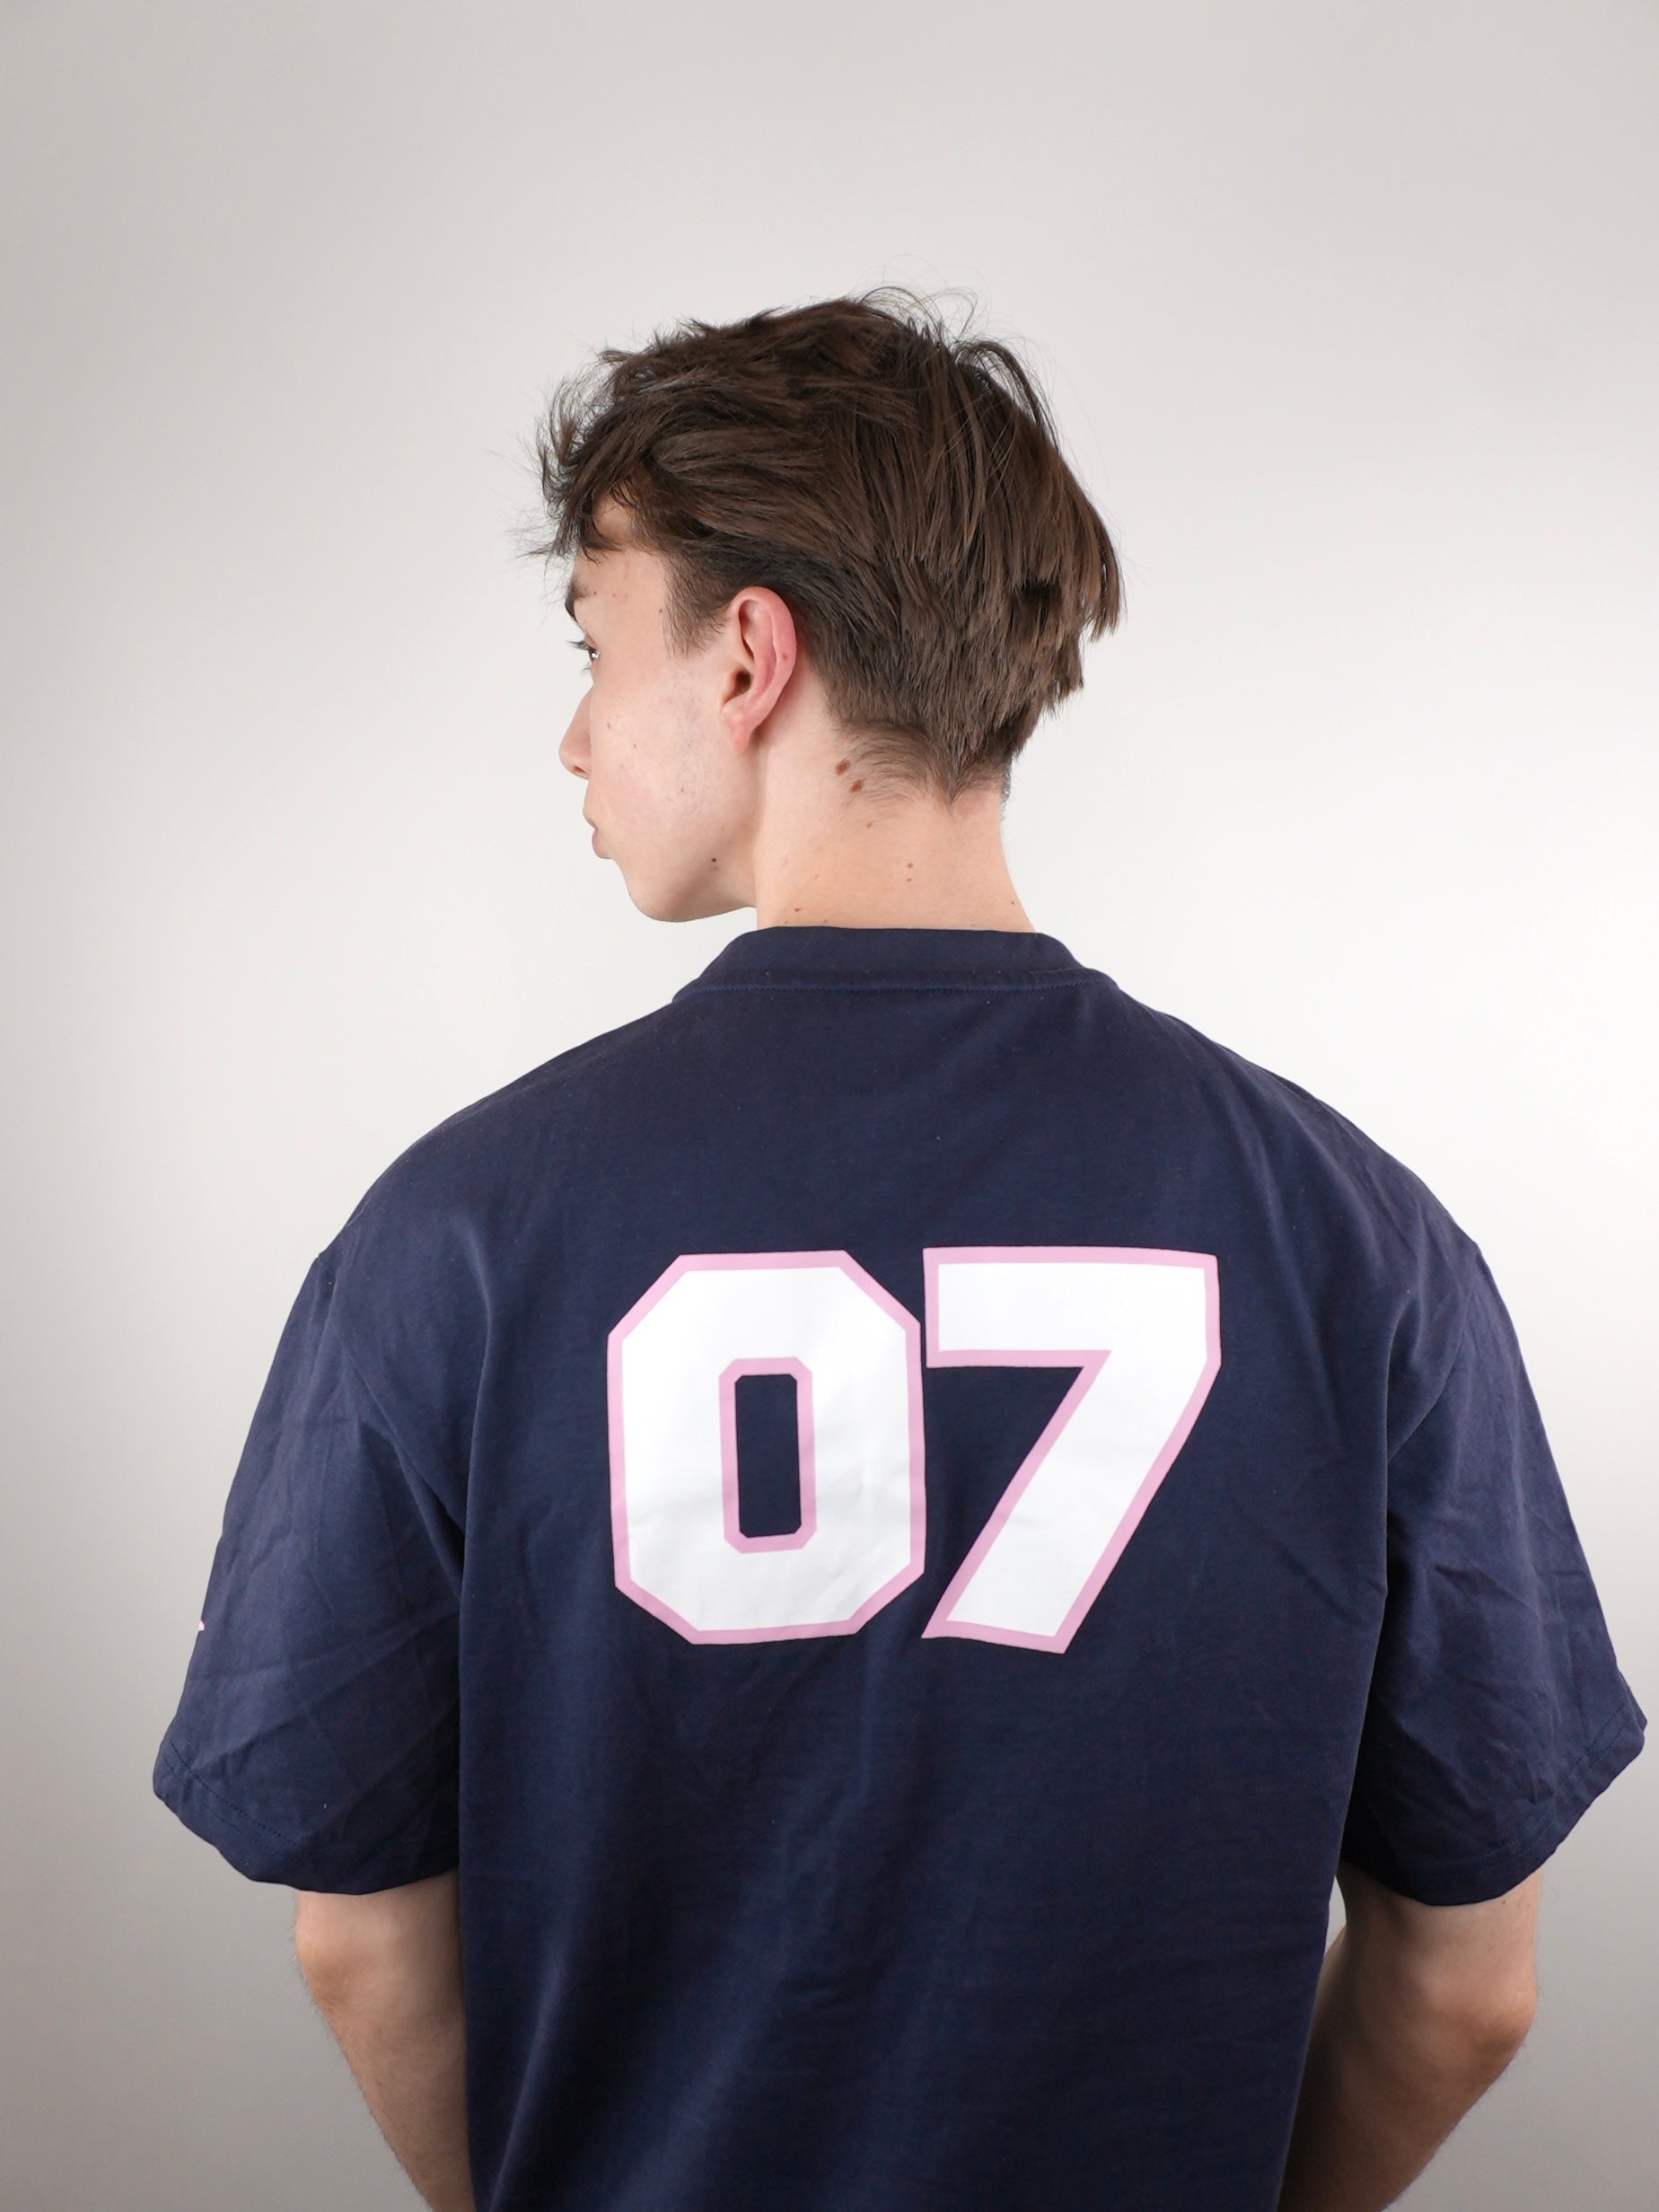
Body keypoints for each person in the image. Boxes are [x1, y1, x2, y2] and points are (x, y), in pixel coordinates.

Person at [154, 292, 1643, 2212]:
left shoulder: (456, 1233)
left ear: (749, 653)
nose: (576, 735)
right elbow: (1467, 1986)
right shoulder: (1364, 1242)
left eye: (600, 646)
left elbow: (360, 1938)